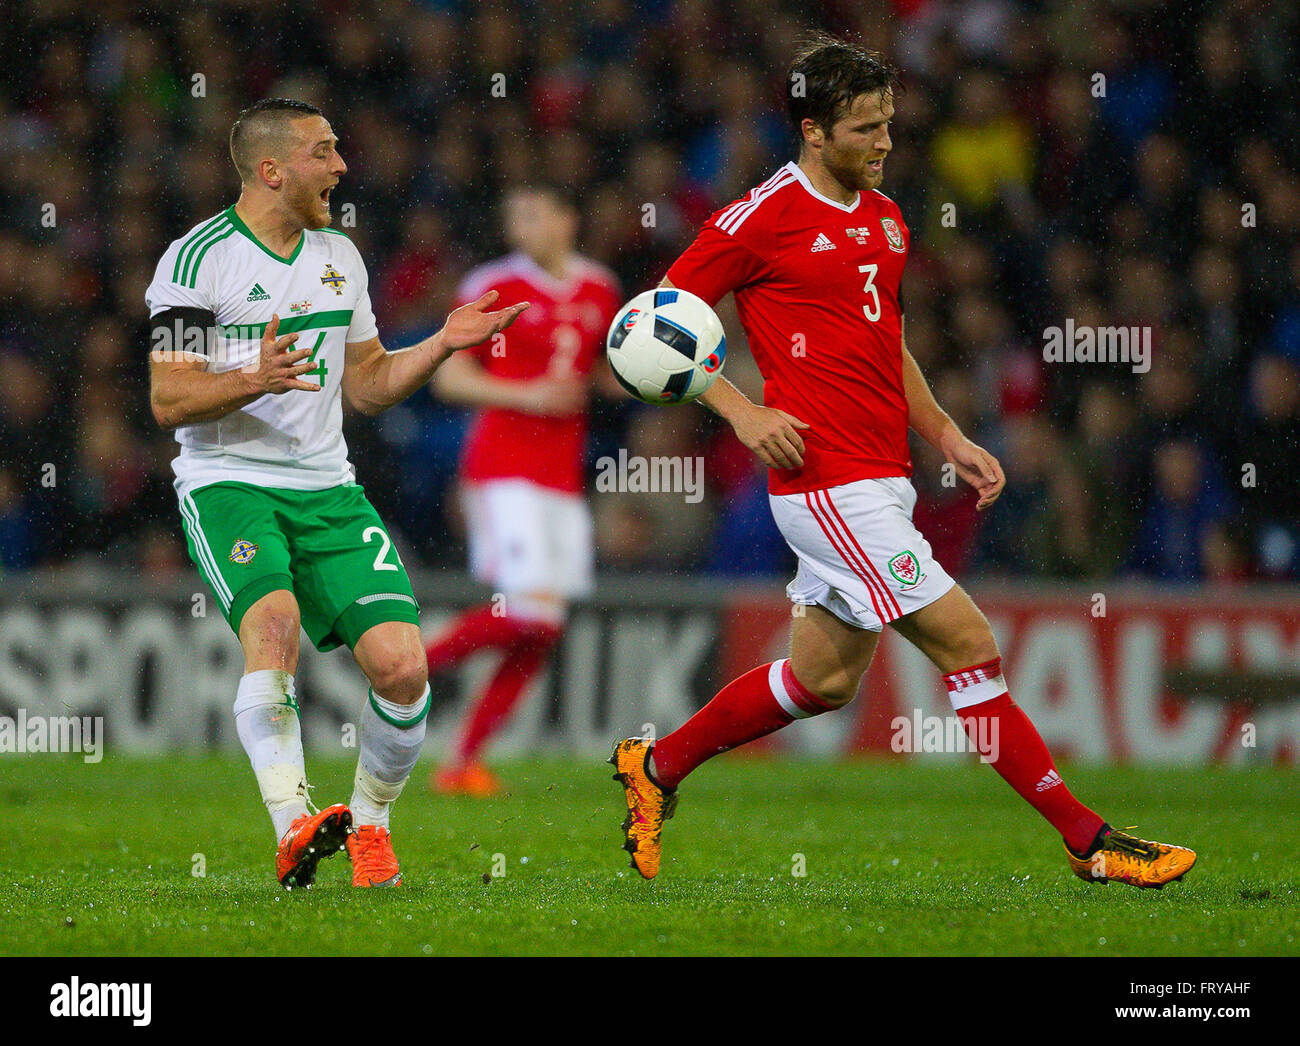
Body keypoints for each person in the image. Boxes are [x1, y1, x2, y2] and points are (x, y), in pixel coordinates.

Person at [610, 36, 1195, 889]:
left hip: (881, 473)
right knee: (969, 642)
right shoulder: (754, 219)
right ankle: (1088, 840)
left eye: (889, 123)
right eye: (865, 128)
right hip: (823, 481)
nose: (885, 142)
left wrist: (947, 434)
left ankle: (656, 768)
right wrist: (742, 411)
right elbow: (646, 326)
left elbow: (889, 344)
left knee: (824, 679)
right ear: (812, 130)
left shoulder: (885, 218)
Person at [146, 98, 527, 888]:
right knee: (275, 627)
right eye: (325, 151)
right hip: (228, 482)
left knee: (402, 668)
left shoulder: (339, 257)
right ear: (271, 168)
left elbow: (371, 385)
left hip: (328, 488)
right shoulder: (195, 261)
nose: (342, 166)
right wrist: (253, 378)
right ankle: (292, 824)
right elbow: (167, 399)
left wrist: (442, 344)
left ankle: (369, 826)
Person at [423, 183, 621, 795]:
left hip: (563, 476)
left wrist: (669, 369)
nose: (521, 227)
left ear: (568, 218)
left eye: (533, 213)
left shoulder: (600, 288)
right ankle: (403, 664)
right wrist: (524, 394)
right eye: (513, 217)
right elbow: (450, 378)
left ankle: (462, 762)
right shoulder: (492, 286)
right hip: (503, 467)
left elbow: (603, 375)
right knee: (529, 612)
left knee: (544, 628)